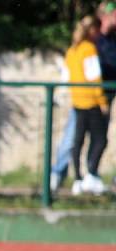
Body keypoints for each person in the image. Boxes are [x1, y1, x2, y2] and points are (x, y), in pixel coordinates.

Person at [66, 15, 109, 195]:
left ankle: (77, 179)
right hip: (90, 101)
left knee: (78, 140)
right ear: (93, 31)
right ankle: (91, 175)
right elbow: (94, 77)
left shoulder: (72, 50)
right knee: (100, 139)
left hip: (77, 101)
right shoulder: (89, 49)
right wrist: (102, 101)